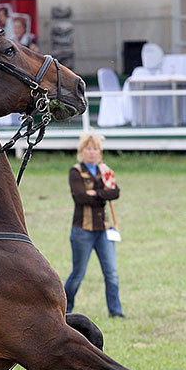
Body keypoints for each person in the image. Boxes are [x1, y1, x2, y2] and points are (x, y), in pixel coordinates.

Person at [63, 133, 124, 318]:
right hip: (83, 230)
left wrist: (94, 193)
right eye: (88, 148)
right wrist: (103, 193)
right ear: (82, 151)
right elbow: (80, 197)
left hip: (104, 230)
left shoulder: (104, 170)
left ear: (100, 152)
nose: (92, 152)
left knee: (111, 272)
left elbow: (115, 192)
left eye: (95, 148)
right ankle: (65, 309)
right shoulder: (75, 171)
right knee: (78, 274)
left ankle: (116, 312)